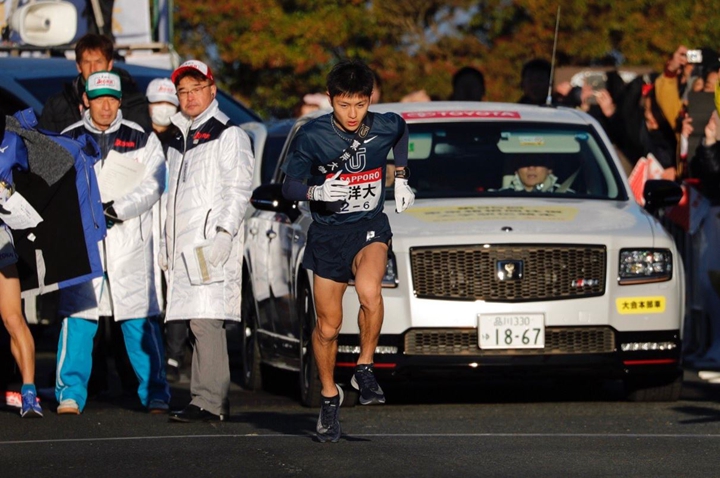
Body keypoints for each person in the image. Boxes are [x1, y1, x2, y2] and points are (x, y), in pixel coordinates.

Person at [281, 59, 414, 442]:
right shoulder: (312, 135)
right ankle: (328, 395)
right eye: (344, 105)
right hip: (328, 235)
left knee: (370, 291)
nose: (353, 113)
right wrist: (316, 192)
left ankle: (365, 367)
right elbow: (290, 186)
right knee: (328, 326)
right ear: (330, 100)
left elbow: (402, 131)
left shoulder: (384, 124)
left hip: (368, 228)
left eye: (360, 104)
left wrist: (401, 177)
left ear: (369, 99)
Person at [56, 71, 169, 415]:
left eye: (112, 99)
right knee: (79, 319)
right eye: (98, 98)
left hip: (128, 244)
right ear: (86, 101)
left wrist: (118, 209)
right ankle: (70, 393)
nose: (105, 106)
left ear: (120, 101)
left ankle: (155, 393)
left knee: (138, 322)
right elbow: (54, 189)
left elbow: (154, 184)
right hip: (85, 245)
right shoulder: (67, 138)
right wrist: (86, 211)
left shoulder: (142, 138)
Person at [162, 60, 255, 423]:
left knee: (206, 320)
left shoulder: (229, 134)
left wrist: (223, 234)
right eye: (183, 91)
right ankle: (205, 398)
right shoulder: (178, 137)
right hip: (183, 246)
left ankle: (210, 401)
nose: (189, 96)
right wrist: (164, 247)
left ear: (212, 90)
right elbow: (170, 199)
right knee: (194, 319)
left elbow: (238, 191)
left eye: (196, 88)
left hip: (210, 243)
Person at [0, 116, 43, 418]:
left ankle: (29, 392)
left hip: (1, 235)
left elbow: (42, 171)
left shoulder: (10, 138)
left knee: (12, 317)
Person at [145, 78, 186, 383]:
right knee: (147, 293)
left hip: (174, 223)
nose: (163, 110)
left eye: (168, 104)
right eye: (157, 103)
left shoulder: (183, 140)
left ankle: (173, 356)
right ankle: (151, 356)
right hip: (144, 223)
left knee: (176, 292)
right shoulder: (138, 139)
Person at [38, 33, 151, 133]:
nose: (93, 69)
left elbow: (141, 142)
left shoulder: (132, 100)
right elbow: (45, 148)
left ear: (110, 64)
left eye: (98, 62)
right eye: (87, 62)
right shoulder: (58, 105)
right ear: (78, 66)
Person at [501, 156, 569, 193]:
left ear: (549, 170)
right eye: (525, 162)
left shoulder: (569, 196)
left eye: (538, 162)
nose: (531, 168)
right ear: (516, 171)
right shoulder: (499, 197)